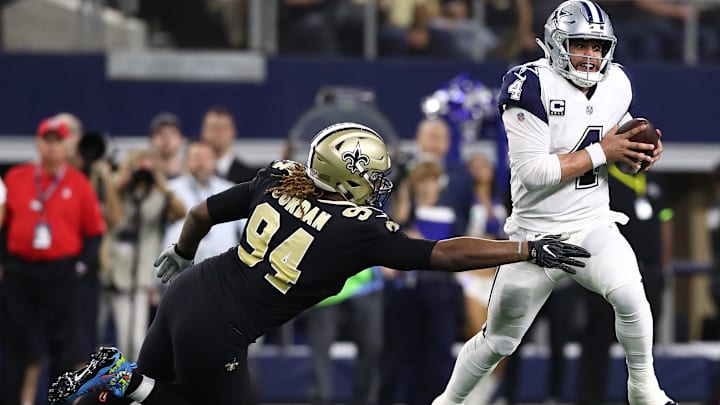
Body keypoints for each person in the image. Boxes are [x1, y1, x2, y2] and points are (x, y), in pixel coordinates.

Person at [48, 122, 589, 405]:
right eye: (374, 176)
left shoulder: (279, 176)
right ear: (350, 176)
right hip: (221, 328)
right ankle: (123, 378)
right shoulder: (360, 230)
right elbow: (444, 253)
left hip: (189, 290)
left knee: (151, 396)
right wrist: (528, 248)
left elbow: (200, 211)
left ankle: (126, 383)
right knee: (164, 396)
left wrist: (183, 251)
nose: (380, 186)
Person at [432, 2, 675, 405]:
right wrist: (605, 151)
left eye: (598, 47)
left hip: (592, 224)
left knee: (632, 297)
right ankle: (449, 402)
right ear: (556, 44)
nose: (590, 56)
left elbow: (615, 133)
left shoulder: (617, 82)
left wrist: (639, 152)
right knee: (499, 339)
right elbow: (534, 174)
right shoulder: (529, 85)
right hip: (534, 238)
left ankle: (646, 393)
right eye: (581, 44)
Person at [1, 117, 106, 405]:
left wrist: (80, 266)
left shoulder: (79, 183)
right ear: (38, 143)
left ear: (66, 145)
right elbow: (4, 224)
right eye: (46, 140)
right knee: (14, 348)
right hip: (19, 272)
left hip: (60, 274)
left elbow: (94, 232)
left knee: (63, 349)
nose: (51, 147)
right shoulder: (16, 177)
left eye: (57, 141)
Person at [574, 165, 674, 405]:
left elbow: (666, 218)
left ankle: (640, 399)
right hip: (608, 273)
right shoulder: (603, 177)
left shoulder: (655, 180)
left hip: (649, 271)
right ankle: (590, 399)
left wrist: (664, 264)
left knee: (644, 343)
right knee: (598, 339)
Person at [97, 148, 186, 361]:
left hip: (137, 277)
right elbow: (114, 219)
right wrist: (117, 183)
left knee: (134, 342)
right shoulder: (116, 189)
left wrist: (162, 185)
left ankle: (131, 388)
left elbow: (181, 212)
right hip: (106, 270)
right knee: (94, 338)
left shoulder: (158, 195)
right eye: (139, 165)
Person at [200, 105, 257, 184]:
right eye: (213, 128)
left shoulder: (250, 177)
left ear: (233, 132)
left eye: (223, 128)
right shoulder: (190, 175)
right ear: (203, 132)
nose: (218, 133)